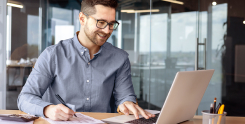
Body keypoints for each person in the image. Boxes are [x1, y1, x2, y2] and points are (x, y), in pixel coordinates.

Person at [17, 0, 155, 121]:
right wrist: (47, 109)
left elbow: (125, 96)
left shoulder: (120, 58)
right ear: (82, 19)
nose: (107, 30)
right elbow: (25, 97)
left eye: (112, 24)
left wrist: (127, 103)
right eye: (101, 22)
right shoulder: (52, 55)